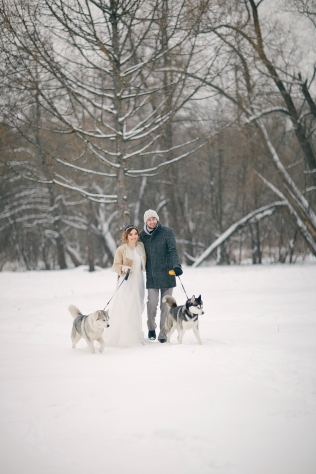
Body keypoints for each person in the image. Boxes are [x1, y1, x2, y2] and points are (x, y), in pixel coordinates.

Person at [140, 209, 183, 343]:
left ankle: (163, 334)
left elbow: (172, 250)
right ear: (145, 222)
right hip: (152, 276)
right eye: (149, 219)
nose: (152, 221)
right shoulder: (142, 235)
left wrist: (176, 266)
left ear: (157, 219)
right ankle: (151, 328)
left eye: (154, 219)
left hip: (167, 274)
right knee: (152, 304)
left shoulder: (167, 232)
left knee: (165, 307)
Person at [104, 225, 146, 347]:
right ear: (126, 236)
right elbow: (115, 265)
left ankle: (135, 334)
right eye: (131, 234)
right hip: (127, 282)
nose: (134, 236)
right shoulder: (121, 249)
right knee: (126, 307)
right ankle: (124, 335)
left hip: (139, 281)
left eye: (135, 234)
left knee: (137, 307)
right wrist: (123, 267)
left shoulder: (141, 247)